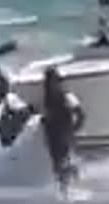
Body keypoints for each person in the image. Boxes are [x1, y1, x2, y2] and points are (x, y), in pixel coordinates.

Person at [39, 67, 86, 195]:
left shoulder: (66, 96)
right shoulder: (47, 99)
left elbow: (80, 114)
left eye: (53, 81)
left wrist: (74, 129)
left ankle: (75, 185)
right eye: (48, 82)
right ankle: (65, 191)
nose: (50, 85)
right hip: (53, 136)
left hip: (64, 134)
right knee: (58, 165)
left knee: (66, 161)